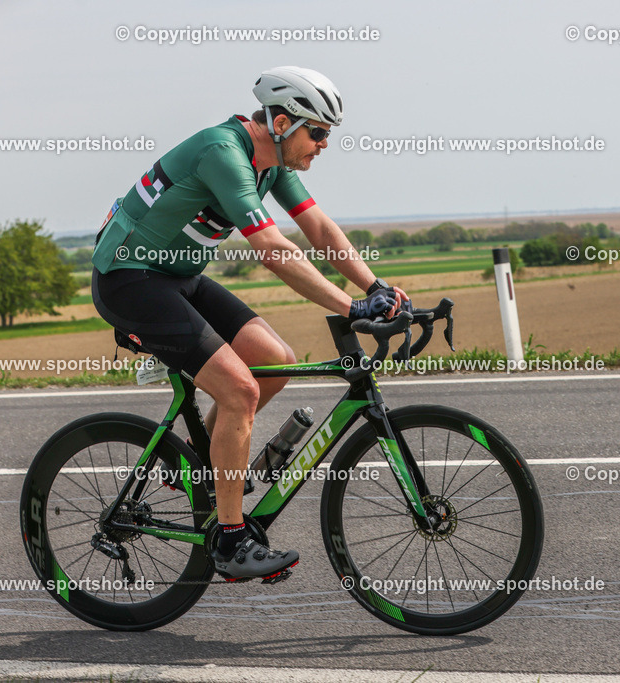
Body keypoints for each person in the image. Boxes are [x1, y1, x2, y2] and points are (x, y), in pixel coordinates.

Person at [90, 66, 409, 582]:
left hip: (176, 277)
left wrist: (374, 287)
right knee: (239, 391)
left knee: (274, 363)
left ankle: (197, 464)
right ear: (282, 122)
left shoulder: (272, 161)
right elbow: (273, 250)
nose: (324, 145)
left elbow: (319, 228)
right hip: (129, 281)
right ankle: (232, 541)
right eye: (319, 133)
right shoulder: (224, 153)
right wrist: (349, 308)